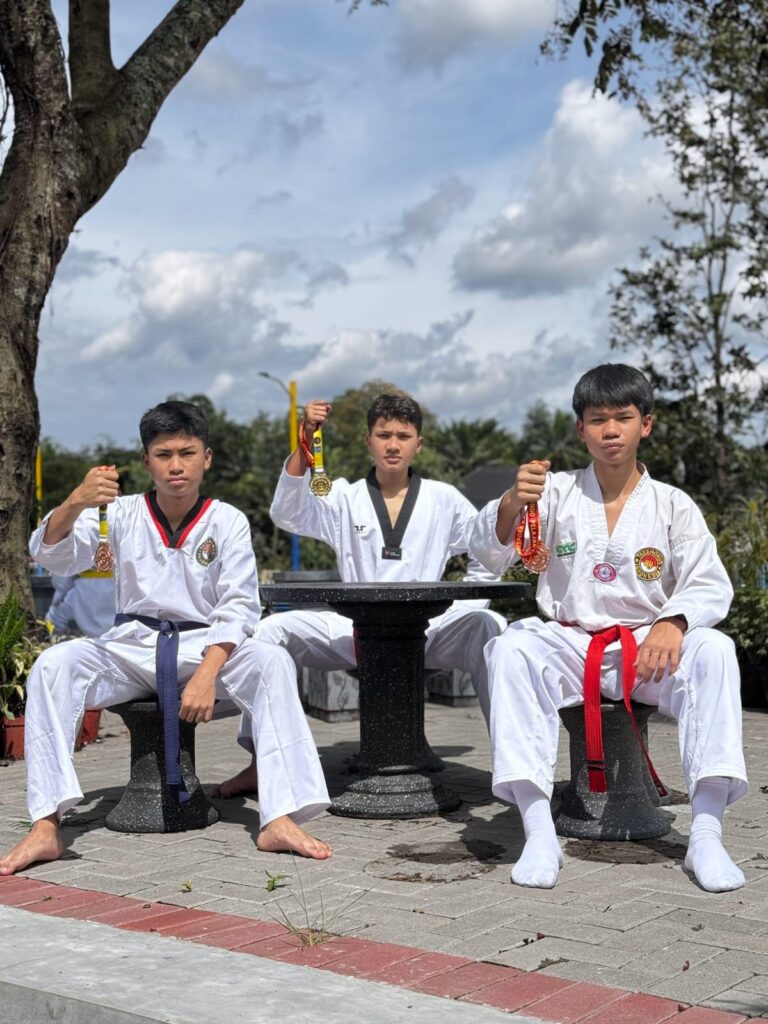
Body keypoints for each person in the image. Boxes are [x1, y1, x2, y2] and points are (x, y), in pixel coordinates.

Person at [0, 400, 331, 877]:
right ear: (146, 461)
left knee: (271, 660)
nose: (176, 465)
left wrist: (208, 674)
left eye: (187, 453)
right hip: (132, 647)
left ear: (206, 458)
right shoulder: (118, 513)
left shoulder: (227, 520)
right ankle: (45, 824)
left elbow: (239, 607)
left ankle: (279, 817)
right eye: (163, 454)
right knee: (55, 664)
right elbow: (53, 556)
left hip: (204, 648)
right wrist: (75, 501)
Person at [468, 364, 747, 894]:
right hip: (573, 643)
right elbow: (488, 553)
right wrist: (510, 502)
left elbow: (710, 581)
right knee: (512, 647)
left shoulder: (673, 503)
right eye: (598, 420)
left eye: (624, 417)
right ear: (581, 430)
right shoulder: (554, 492)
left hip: (647, 648)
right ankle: (538, 831)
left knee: (713, 649)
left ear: (647, 424)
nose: (611, 430)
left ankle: (707, 834)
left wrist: (674, 621)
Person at [214, 392, 506, 799]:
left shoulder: (443, 499)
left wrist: (462, 607)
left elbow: (486, 550)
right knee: (268, 632)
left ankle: (511, 766)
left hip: (428, 631)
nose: (393, 445)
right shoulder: (343, 497)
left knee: (490, 625)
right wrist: (305, 439)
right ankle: (262, 762)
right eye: (383, 435)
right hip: (355, 630)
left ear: (418, 444)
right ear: (368, 441)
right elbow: (287, 513)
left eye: (403, 436)